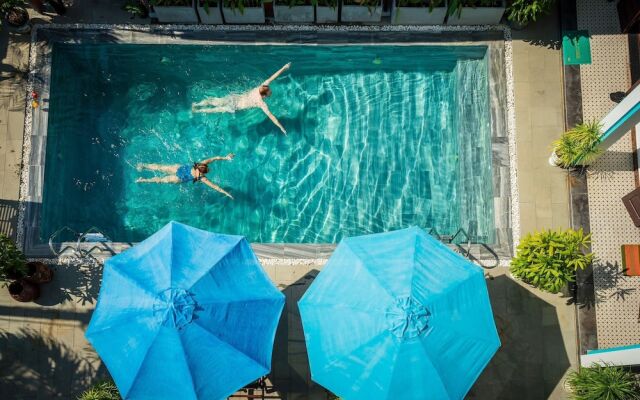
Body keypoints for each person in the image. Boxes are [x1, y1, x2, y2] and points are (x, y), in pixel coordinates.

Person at [192, 62, 291, 135]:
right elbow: (272, 117)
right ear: (264, 96)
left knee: (215, 101)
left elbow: (273, 77)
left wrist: (284, 67)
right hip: (234, 106)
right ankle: (198, 111)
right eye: (269, 93)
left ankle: (196, 104)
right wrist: (281, 128)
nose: (270, 91)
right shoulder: (261, 103)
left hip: (233, 98)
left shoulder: (262, 86)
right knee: (216, 110)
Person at [136, 153, 235, 199]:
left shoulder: (201, 163)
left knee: (159, 167)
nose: (208, 169)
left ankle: (143, 165)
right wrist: (226, 193)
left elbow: (215, 158)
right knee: (161, 180)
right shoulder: (202, 178)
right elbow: (215, 186)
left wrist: (225, 158)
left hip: (179, 169)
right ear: (203, 172)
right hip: (179, 178)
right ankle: (143, 180)